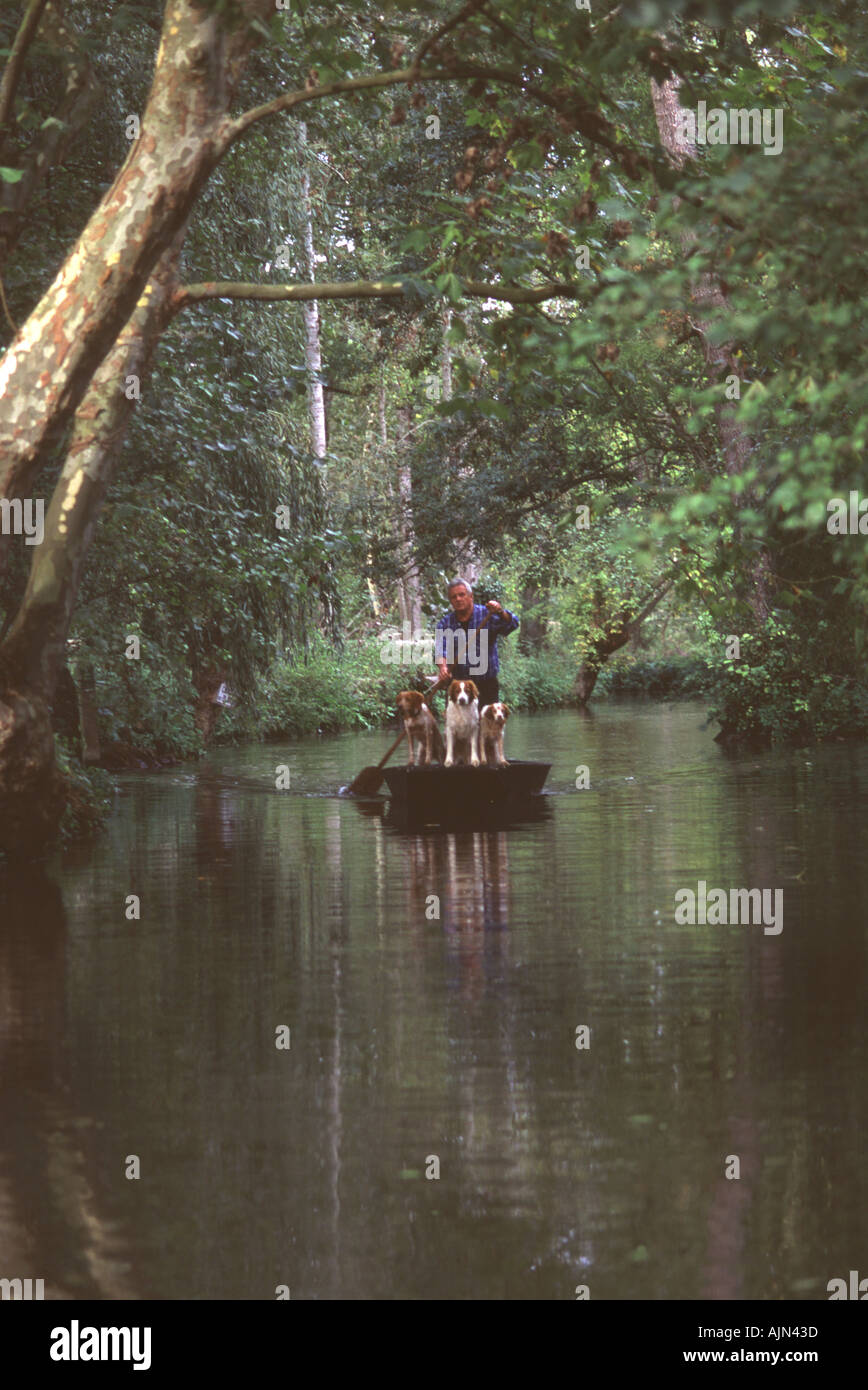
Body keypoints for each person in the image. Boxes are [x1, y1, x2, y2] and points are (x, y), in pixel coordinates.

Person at [434, 578, 519, 708]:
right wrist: (443, 668)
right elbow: (441, 650)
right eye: (454, 597)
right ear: (450, 601)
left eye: (462, 595)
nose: (458, 599)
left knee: (488, 726)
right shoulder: (445, 623)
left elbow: (512, 624)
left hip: (486, 684)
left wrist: (501, 612)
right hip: (458, 687)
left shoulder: (487, 615)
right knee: (456, 726)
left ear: (471, 596)